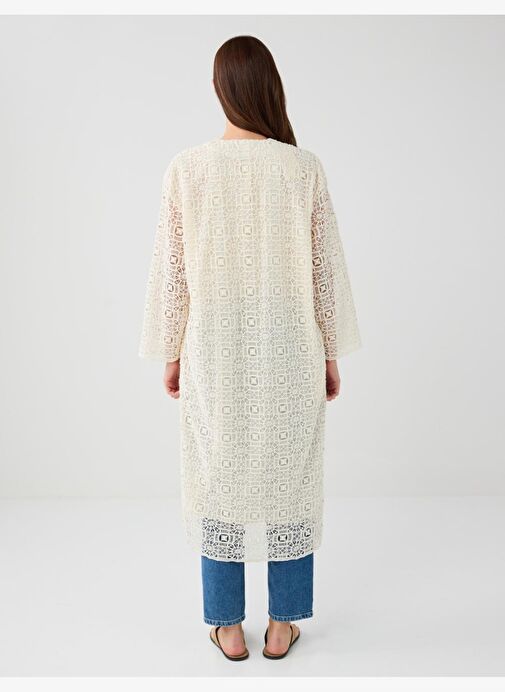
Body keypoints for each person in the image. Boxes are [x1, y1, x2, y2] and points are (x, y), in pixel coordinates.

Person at [139, 35, 361, 661]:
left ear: (220, 90)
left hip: (215, 348)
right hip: (291, 346)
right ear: (269, 88)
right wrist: (329, 354)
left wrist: (172, 352)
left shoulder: (186, 169)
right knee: (292, 474)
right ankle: (283, 623)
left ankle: (227, 626)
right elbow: (325, 271)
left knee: (218, 474)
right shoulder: (303, 168)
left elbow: (172, 272)